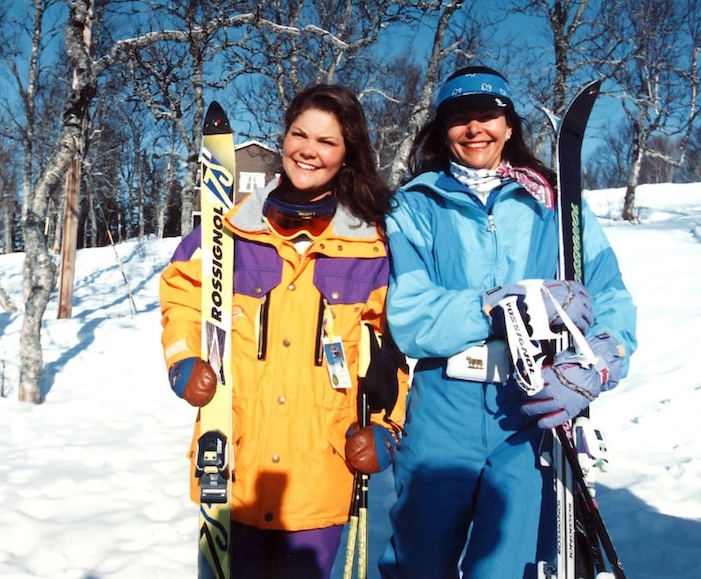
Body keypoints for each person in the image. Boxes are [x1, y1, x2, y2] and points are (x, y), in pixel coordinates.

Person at [378, 66, 637, 578]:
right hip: (441, 408)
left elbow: (608, 295)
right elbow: (409, 317)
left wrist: (599, 359)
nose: (475, 129)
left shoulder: (555, 206)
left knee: (507, 567)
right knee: (418, 562)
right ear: (442, 129)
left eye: (488, 116)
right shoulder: (414, 205)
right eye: (459, 118)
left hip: (530, 408)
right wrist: (502, 305)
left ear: (510, 126)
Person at [159, 84, 408, 578]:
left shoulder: (372, 246)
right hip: (234, 468)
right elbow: (182, 296)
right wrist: (183, 361)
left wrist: (385, 429)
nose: (308, 150)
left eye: (327, 141)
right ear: (284, 137)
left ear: (347, 155)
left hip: (321, 475)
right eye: (299, 134)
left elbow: (389, 355)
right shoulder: (225, 230)